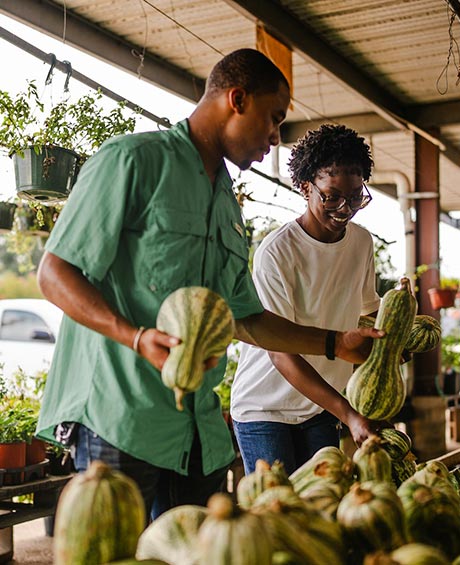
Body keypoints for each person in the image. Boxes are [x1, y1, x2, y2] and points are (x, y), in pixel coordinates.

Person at [36, 50, 382, 518]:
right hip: (118, 419)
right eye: (273, 119)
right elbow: (55, 273)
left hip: (196, 430)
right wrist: (136, 338)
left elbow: (247, 318)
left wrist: (335, 343)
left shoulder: (225, 204)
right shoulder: (133, 161)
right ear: (237, 99)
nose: (275, 138)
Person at [231, 124, 388, 476]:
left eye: (355, 196)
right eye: (331, 196)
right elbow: (279, 351)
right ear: (305, 187)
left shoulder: (361, 243)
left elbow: (370, 310)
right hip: (264, 409)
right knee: (279, 516)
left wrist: (398, 336)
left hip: (320, 408)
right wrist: (348, 413)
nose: (344, 208)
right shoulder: (277, 252)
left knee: (321, 513)